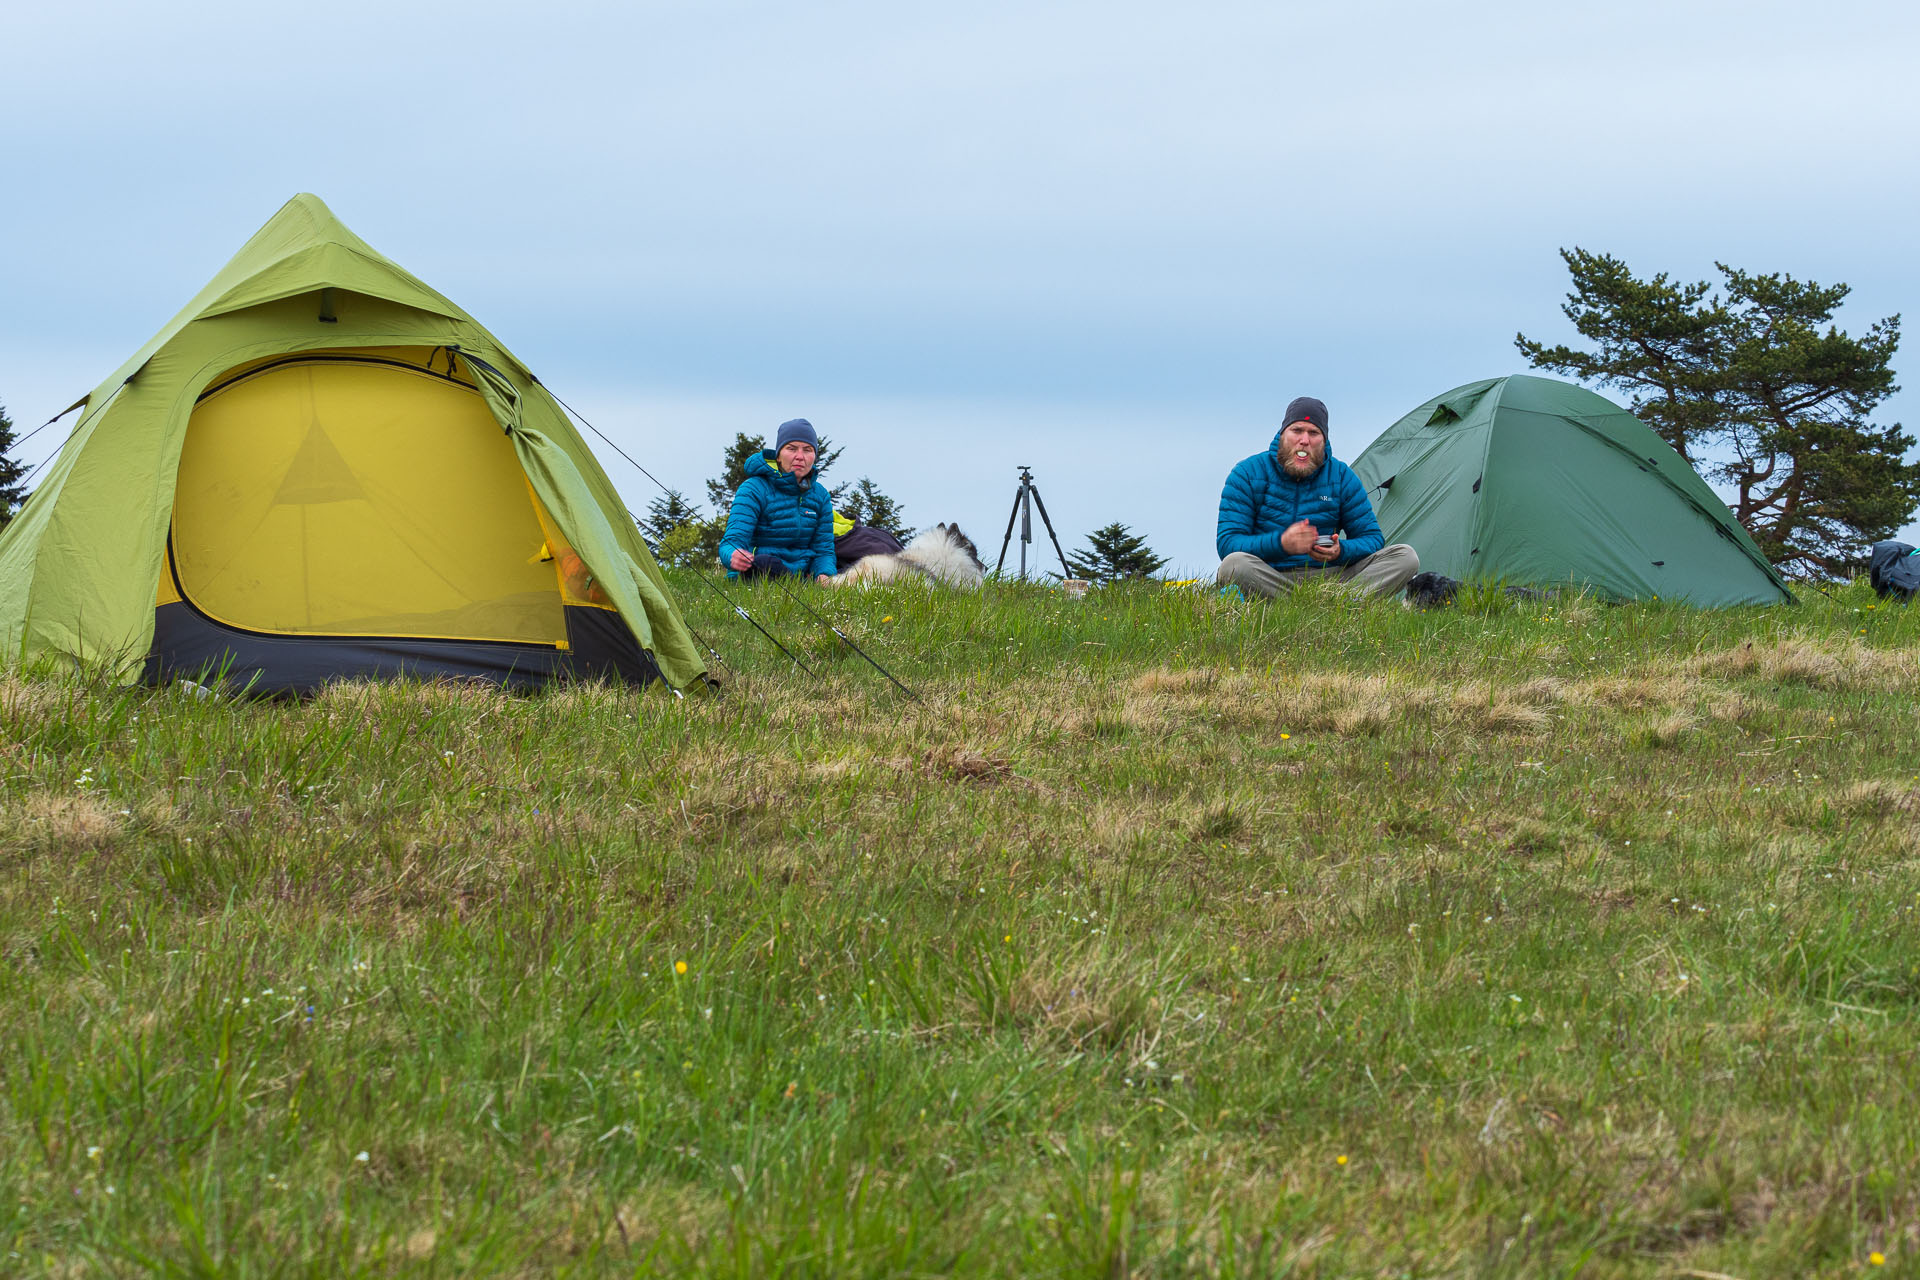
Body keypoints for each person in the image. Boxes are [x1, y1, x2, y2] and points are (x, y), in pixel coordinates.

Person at [1215, 396, 1418, 599]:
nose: (1304, 440)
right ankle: (1324, 608)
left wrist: (1341, 551)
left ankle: (1337, 602)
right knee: (1233, 565)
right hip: (1270, 576)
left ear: (1324, 440)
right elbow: (1228, 542)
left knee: (1405, 557)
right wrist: (1282, 543)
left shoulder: (1341, 476)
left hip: (1330, 578)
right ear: (1283, 434)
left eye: (1313, 433)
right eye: (1297, 430)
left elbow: (1373, 539)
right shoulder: (1248, 472)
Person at [719, 419, 837, 583]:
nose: (800, 457)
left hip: (802, 578)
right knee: (765, 563)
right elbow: (730, 542)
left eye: (808, 450)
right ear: (778, 456)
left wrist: (824, 574)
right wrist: (733, 555)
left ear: (814, 456)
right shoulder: (753, 488)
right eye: (791, 448)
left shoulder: (820, 495)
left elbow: (824, 549)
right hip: (758, 572)